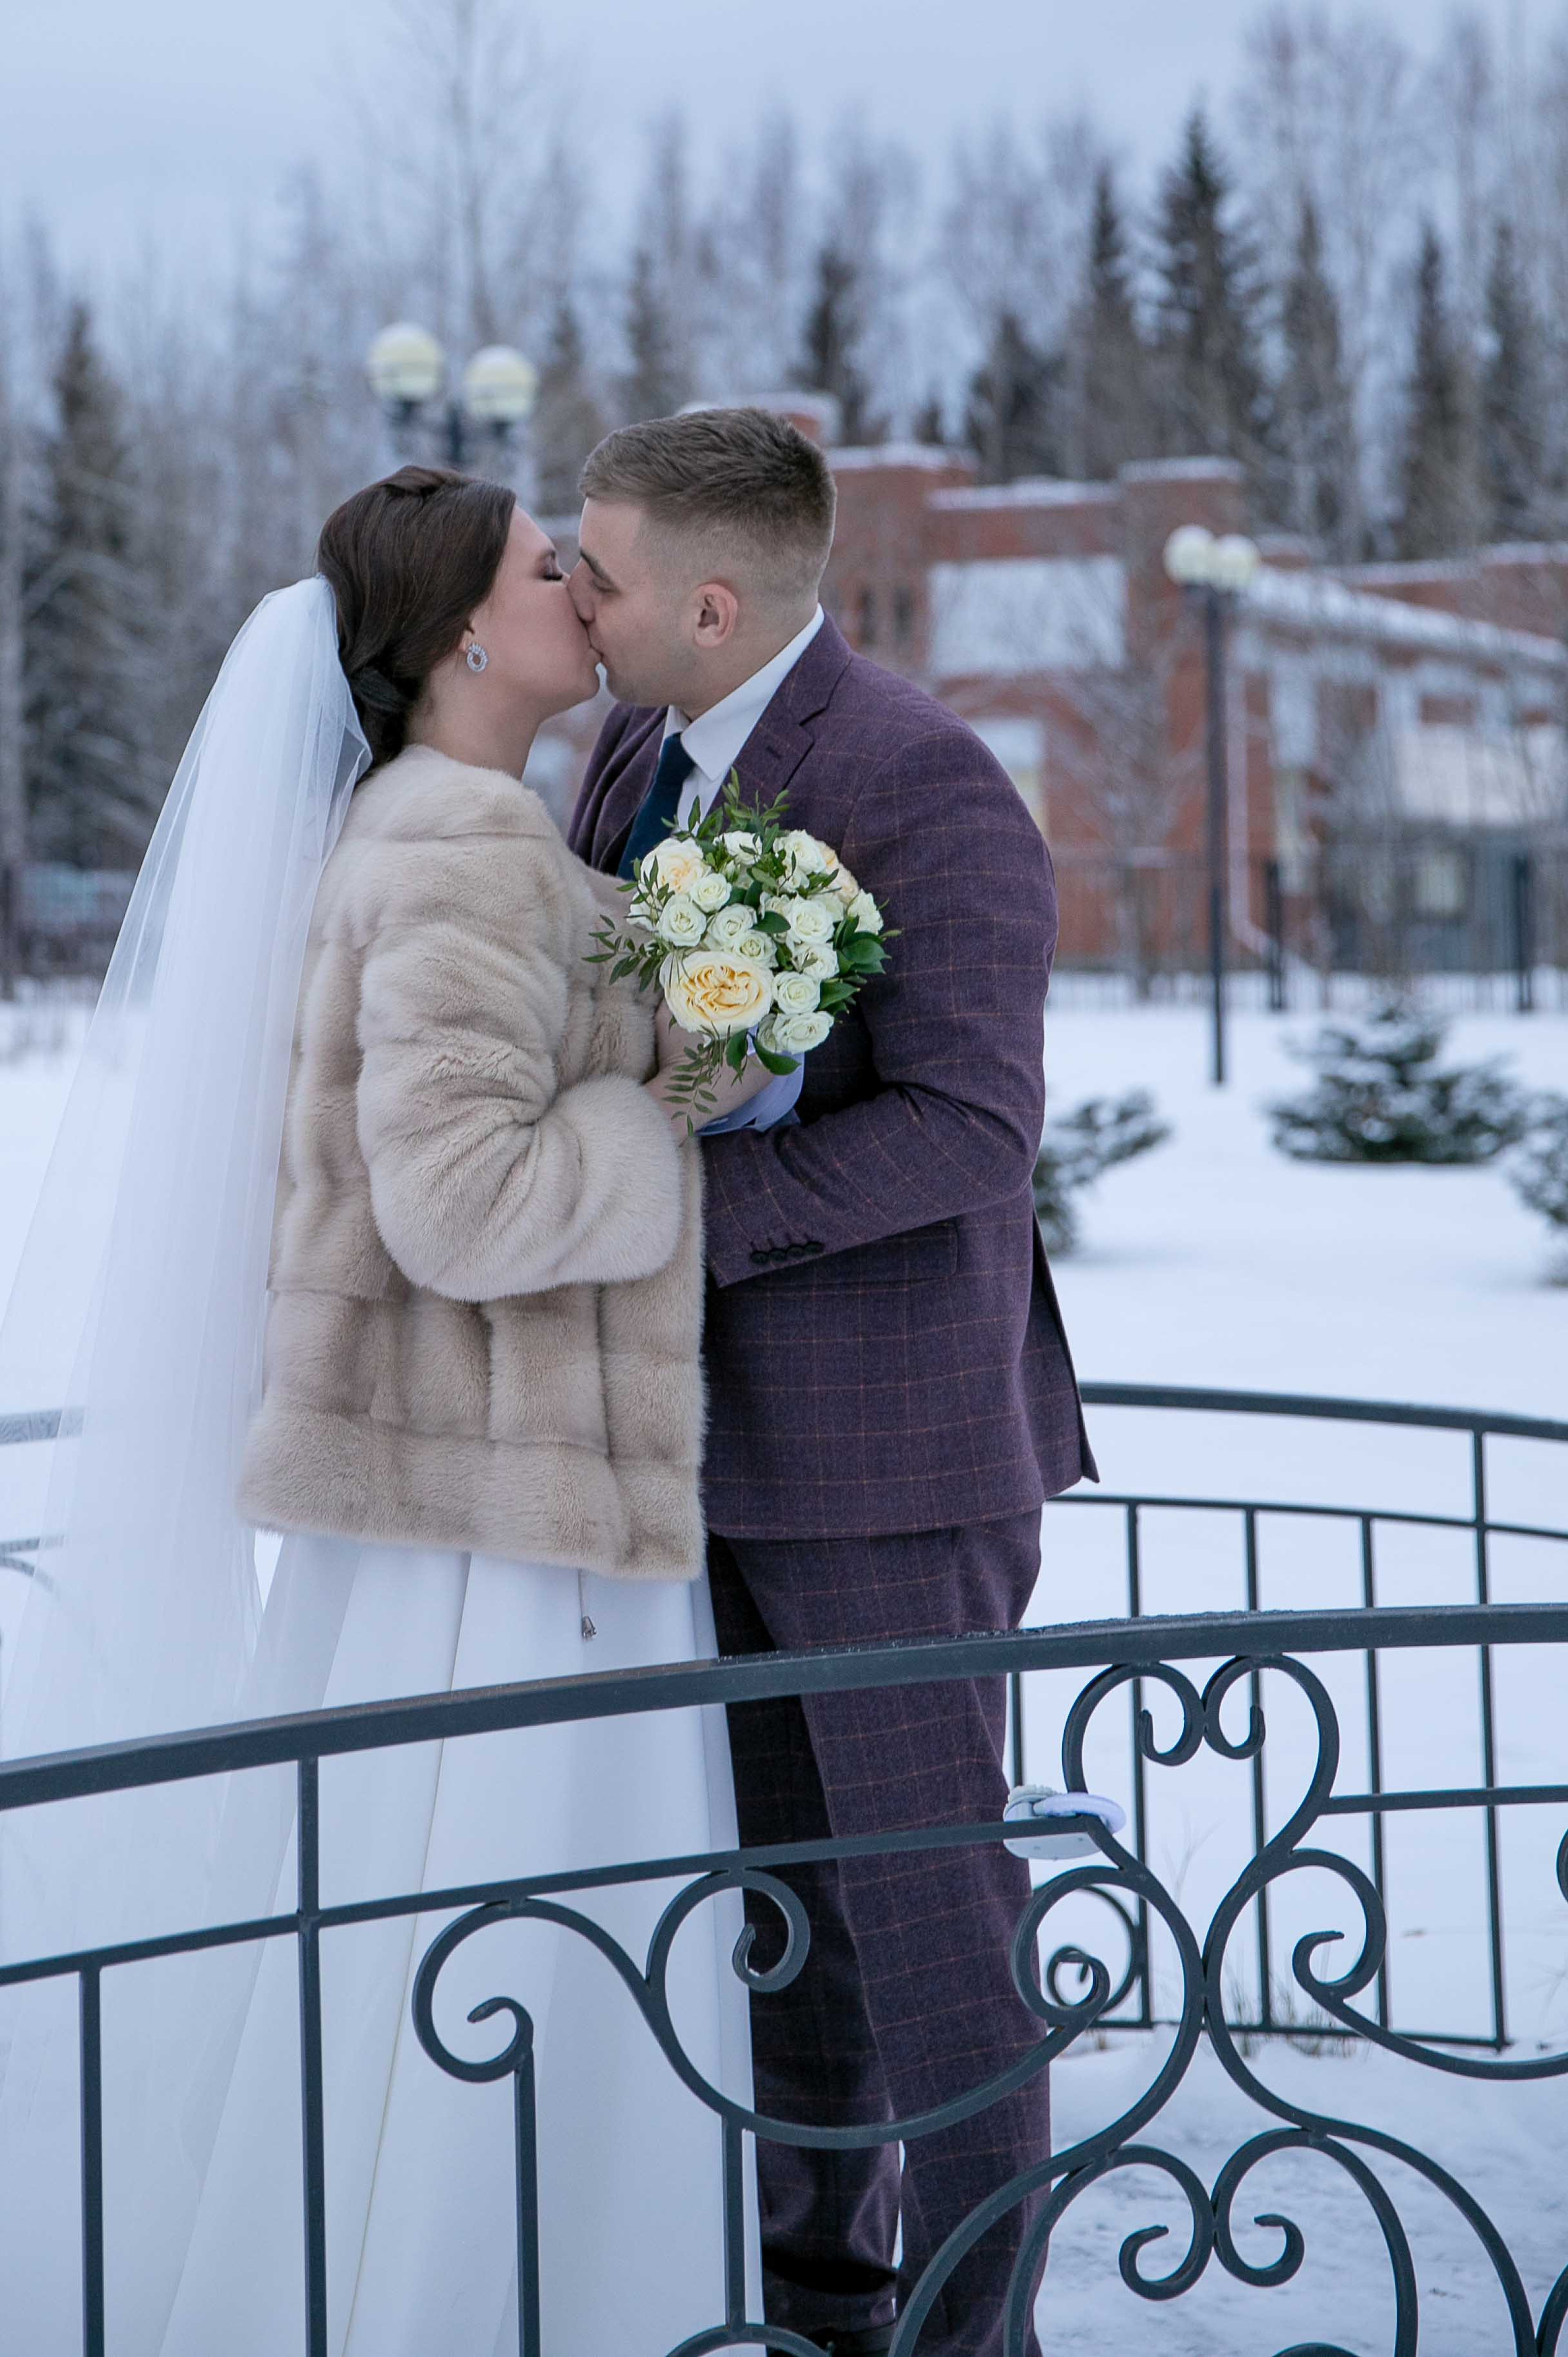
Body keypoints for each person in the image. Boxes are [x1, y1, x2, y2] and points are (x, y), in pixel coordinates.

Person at [0, 469, 764, 2354]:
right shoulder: (466, 850)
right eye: (538, 566)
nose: (580, 587)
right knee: (510, 1950)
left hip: (449, 1510)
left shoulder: (441, 830)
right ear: (470, 631)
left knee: (428, 1955)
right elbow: (459, 1200)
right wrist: (670, 1119)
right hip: (504, 1534)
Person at [567, 405, 1097, 2357]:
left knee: (930, 1942)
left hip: (889, 1466)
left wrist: (672, 1216)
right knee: (781, 1930)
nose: (571, 597)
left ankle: (978, 2336)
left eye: (598, 571)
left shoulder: (923, 781)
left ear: (712, 601)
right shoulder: (633, 749)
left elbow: (972, 1125)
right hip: (685, 1456)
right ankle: (824, 2308)